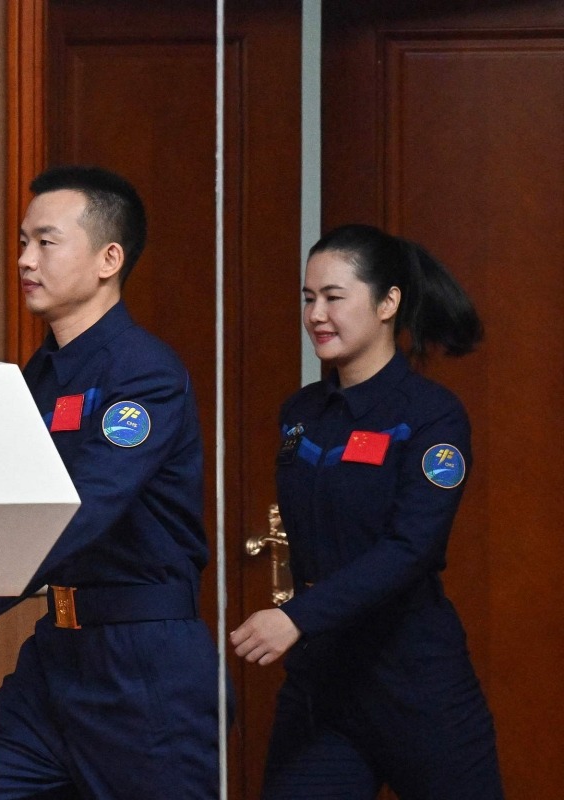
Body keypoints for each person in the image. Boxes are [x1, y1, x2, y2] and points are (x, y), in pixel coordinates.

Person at [231, 224, 502, 799]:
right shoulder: (301, 411)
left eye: (334, 297)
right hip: (323, 687)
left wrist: (297, 616)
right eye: (308, 298)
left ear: (387, 302)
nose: (316, 315)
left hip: (415, 682)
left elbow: (411, 549)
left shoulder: (432, 416)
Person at [0, 166, 220, 799]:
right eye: (21, 242)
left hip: (140, 665)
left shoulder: (143, 373)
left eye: (45, 242)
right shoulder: (42, 373)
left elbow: (83, 507)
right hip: (57, 657)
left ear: (108, 259)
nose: (25, 260)